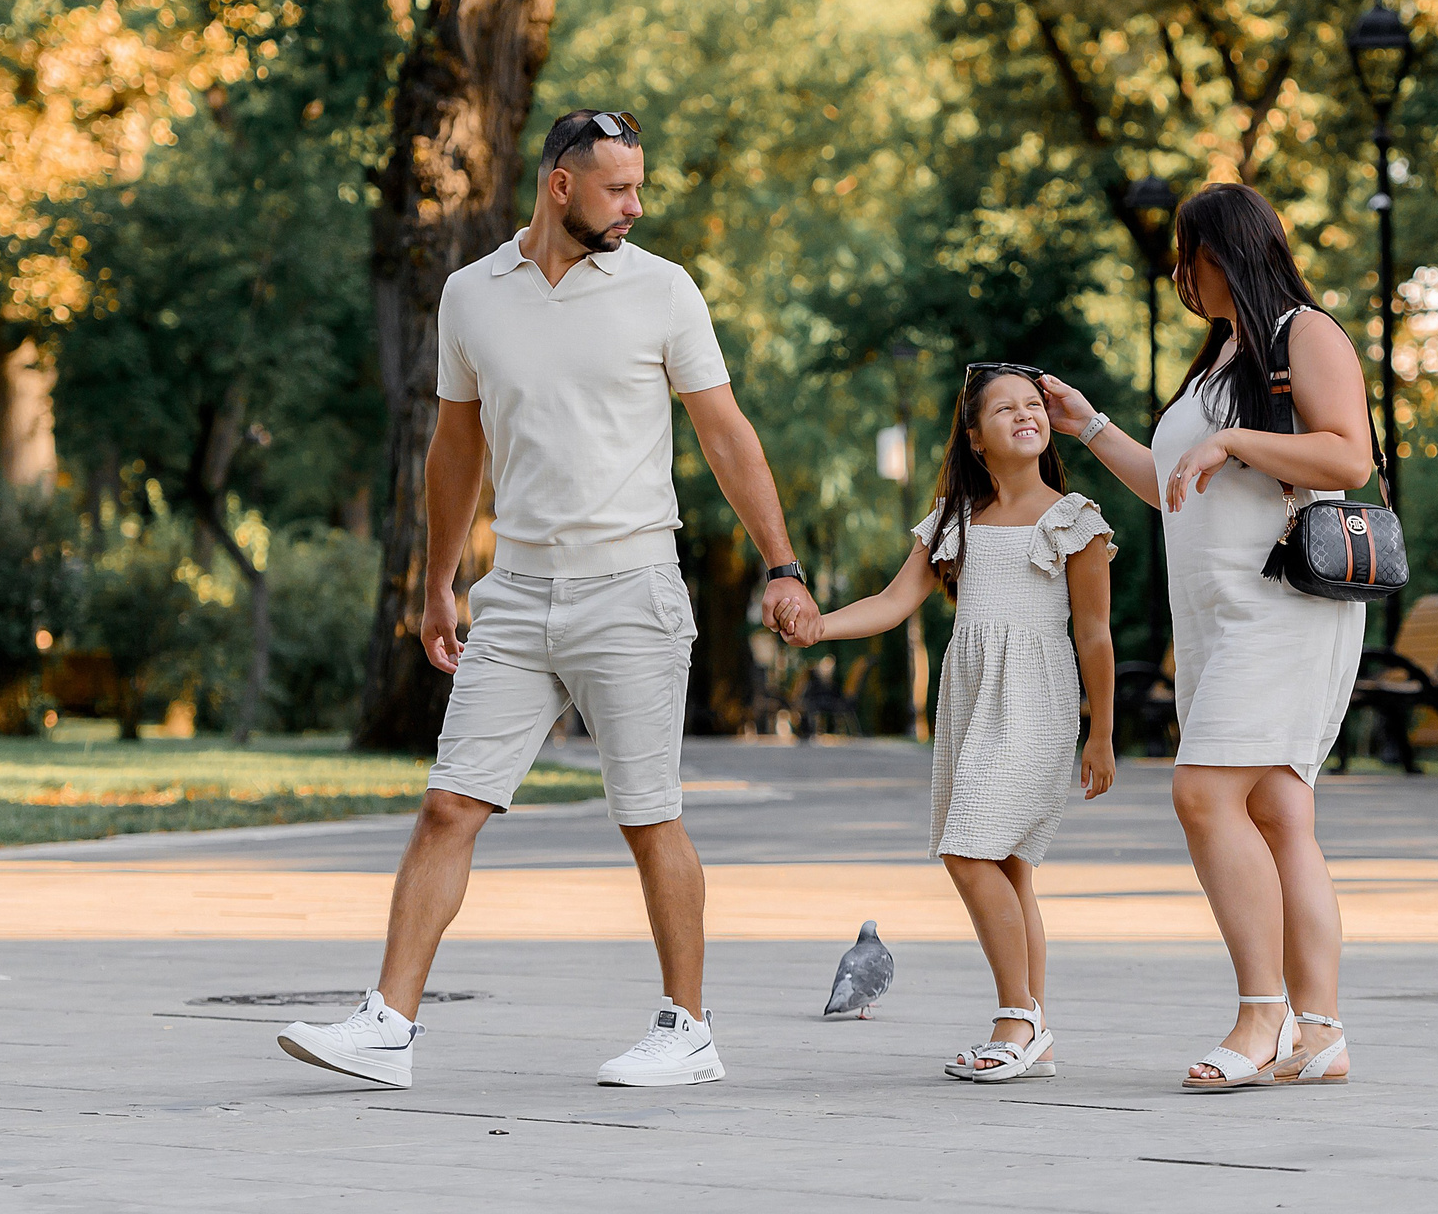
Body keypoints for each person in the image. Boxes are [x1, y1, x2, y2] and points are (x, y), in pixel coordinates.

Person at [278, 109, 817, 1091]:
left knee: (648, 813)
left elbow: (724, 434)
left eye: (638, 186)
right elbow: (456, 446)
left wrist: (779, 564)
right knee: (449, 805)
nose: (635, 204)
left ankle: (687, 1028)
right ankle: (389, 1024)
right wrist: (440, 581)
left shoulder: (662, 289)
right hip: (517, 592)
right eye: (618, 187)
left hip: (633, 583)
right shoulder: (471, 295)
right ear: (559, 186)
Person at [1036, 183, 1373, 1089]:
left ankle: (1260, 1013)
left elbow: (1349, 456)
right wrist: (1090, 425)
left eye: (1189, 254)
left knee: (1200, 794)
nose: (1180, 273)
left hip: (1284, 610)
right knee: (1278, 814)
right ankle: (1322, 1029)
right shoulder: (1223, 352)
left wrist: (1238, 444)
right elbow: (1172, 487)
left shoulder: (1305, 332)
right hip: (1222, 617)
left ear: (1226, 253)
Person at [781, 362, 1117, 1083]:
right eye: (1004, 410)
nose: (1024, 414)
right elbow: (892, 601)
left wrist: (1102, 732)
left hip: (1037, 700)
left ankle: (1013, 1017)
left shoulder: (1074, 518)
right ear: (974, 438)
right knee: (1009, 867)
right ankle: (1038, 1031)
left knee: (969, 850)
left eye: (1033, 404)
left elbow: (1095, 635)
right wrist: (818, 627)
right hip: (972, 702)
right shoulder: (952, 522)